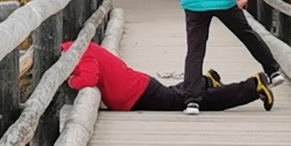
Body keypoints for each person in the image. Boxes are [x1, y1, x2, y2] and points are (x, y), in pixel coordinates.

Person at [66, 37, 272, 113]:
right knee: (175, 94)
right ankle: (205, 80)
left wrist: (72, 80)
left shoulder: (79, 56)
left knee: (195, 101)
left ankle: (252, 87)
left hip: (138, 93)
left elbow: (89, 78)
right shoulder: (82, 46)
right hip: (140, 87)